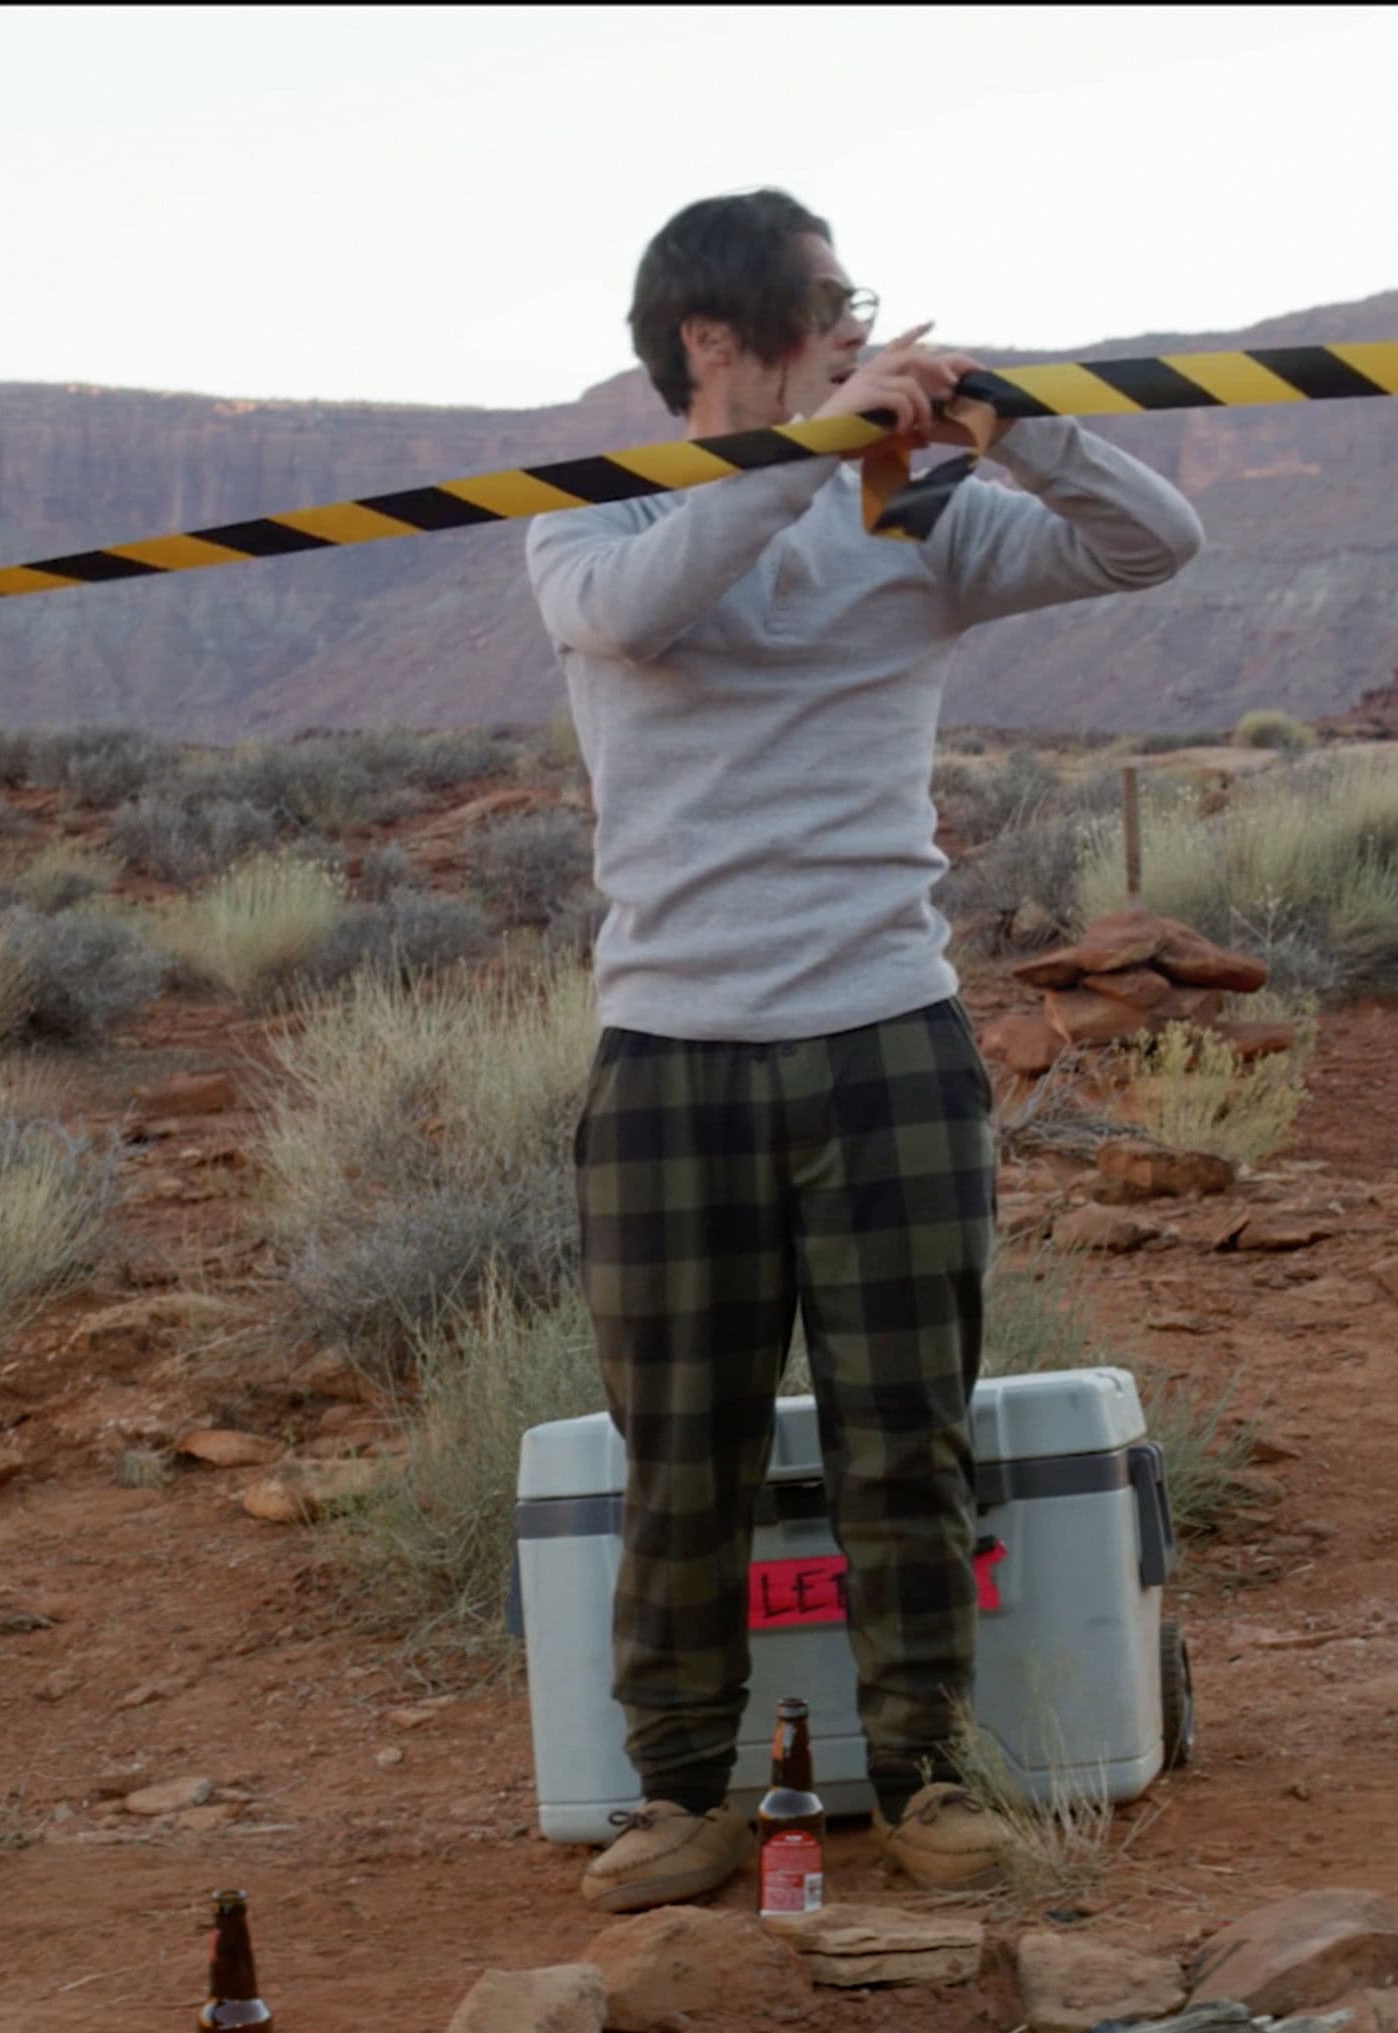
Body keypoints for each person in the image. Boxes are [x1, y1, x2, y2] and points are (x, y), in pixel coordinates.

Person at [527, 188, 1203, 1912]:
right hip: (673, 1055)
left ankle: (922, 1777)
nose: (855, 323)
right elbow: (655, 608)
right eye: (828, 302)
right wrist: (824, 444)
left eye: (858, 305)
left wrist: (1018, 426)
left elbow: (1156, 546)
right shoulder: (590, 518)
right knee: (685, 1446)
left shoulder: (918, 515)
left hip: (885, 1037)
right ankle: (680, 1791)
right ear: (712, 336)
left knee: (909, 1433)